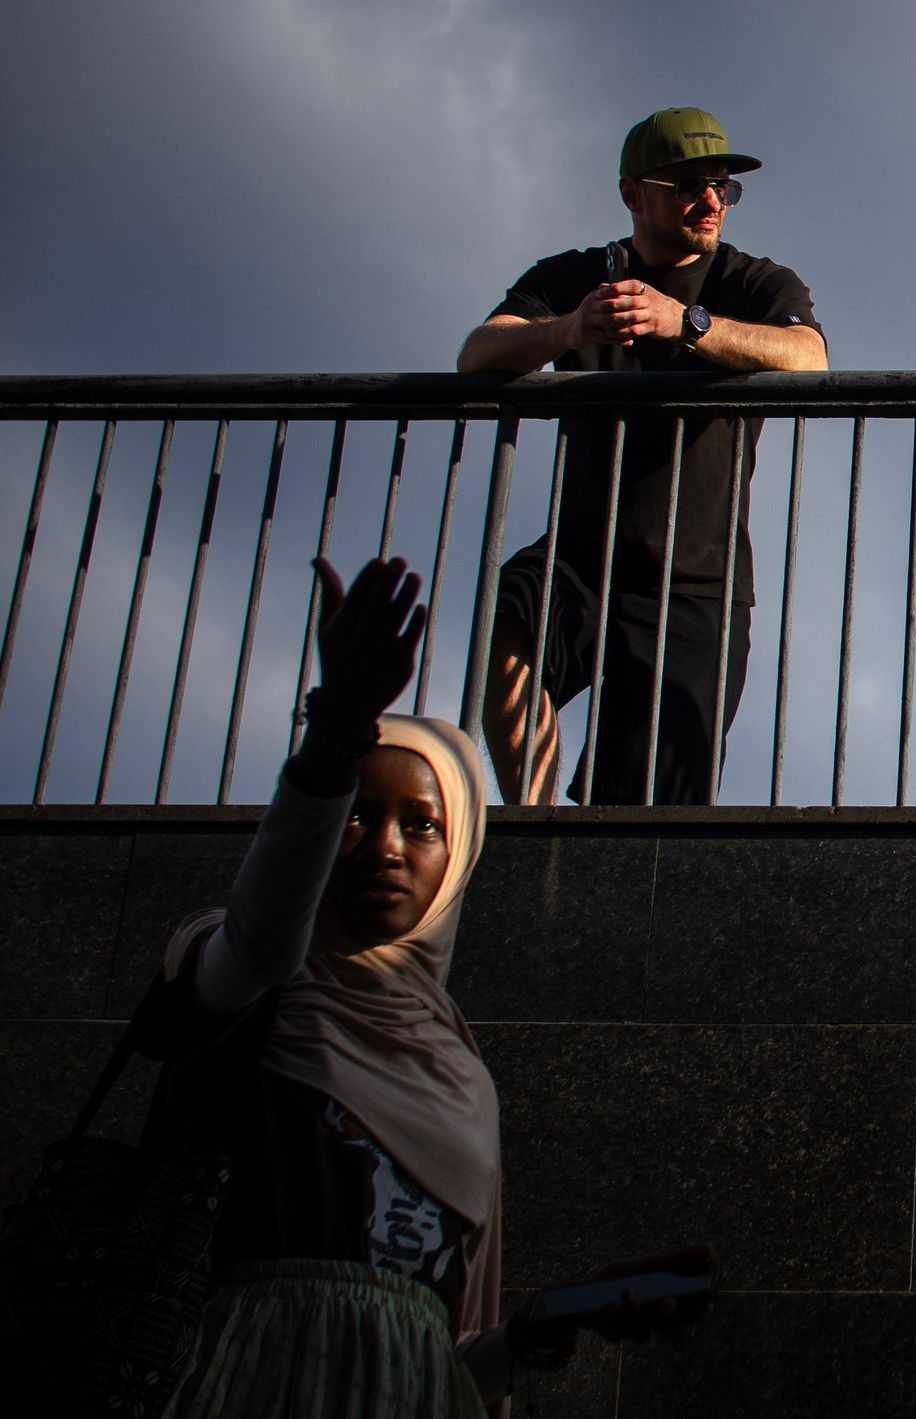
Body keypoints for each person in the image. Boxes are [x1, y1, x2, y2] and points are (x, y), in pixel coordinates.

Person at [151, 555, 709, 1416]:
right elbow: (258, 943)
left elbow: (435, 1352)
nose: (385, 848)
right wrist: (336, 727)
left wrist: (526, 1337)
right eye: (353, 818)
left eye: (422, 825)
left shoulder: (459, 1077)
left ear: (459, 861)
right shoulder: (246, 978)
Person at [458, 107, 826, 804]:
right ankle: (536, 831)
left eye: (723, 186)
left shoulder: (752, 282)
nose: (711, 200)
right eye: (688, 184)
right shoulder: (578, 276)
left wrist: (683, 323)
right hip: (583, 555)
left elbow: (808, 360)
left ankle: (587, 874)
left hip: (698, 585)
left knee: (638, 813)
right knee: (502, 629)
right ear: (633, 193)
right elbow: (476, 353)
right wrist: (565, 329)